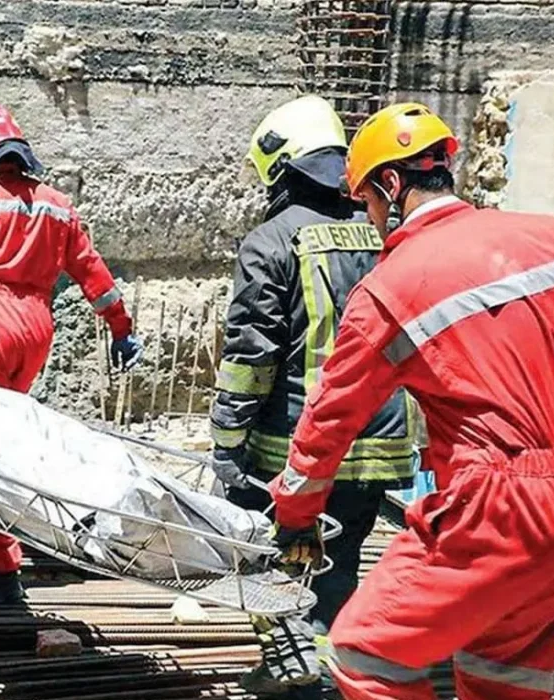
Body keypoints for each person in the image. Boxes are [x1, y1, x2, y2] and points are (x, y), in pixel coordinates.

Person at [269, 102, 554, 700]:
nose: (372, 220)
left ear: (391, 185)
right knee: (502, 677)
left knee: (364, 653)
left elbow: (329, 421)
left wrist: (296, 515)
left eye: (370, 203)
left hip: (498, 514)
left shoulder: (391, 289)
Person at [210, 95, 418, 696]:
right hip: (378, 445)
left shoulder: (272, 241)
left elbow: (251, 359)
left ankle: (296, 676)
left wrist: (227, 445)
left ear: (281, 165)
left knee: (274, 564)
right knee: (340, 564)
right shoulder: (385, 233)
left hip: (295, 451)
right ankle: (327, 671)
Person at [0, 103, 144, 602]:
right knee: (7, 438)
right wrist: (121, 328)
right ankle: (14, 550)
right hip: (36, 327)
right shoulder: (57, 203)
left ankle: (1, 571)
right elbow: (92, 272)